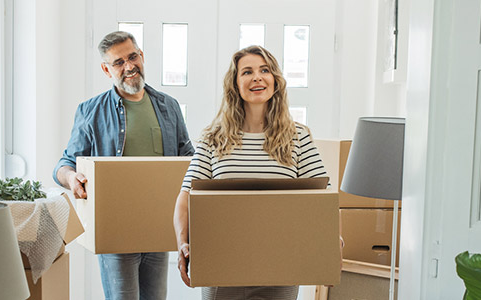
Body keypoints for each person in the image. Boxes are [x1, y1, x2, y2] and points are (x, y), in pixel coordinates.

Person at [173, 45, 331, 300]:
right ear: (235, 84)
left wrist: (332, 240)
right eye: (247, 72)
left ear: (275, 81)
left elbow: (323, 198)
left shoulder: (297, 137)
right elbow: (185, 196)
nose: (257, 77)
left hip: (281, 268)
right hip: (221, 266)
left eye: (264, 70)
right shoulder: (213, 137)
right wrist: (182, 242)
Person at [54, 31, 194, 300]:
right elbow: (65, 163)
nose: (129, 66)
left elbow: (188, 159)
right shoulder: (90, 110)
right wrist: (72, 178)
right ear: (106, 70)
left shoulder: (169, 107)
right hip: (115, 232)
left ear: (142, 56)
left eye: (132, 57)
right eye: (118, 62)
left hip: (159, 228)